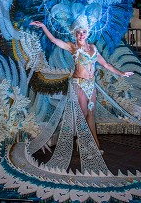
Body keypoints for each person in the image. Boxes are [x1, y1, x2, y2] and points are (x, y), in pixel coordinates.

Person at [30, 19, 134, 150]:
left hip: (91, 84)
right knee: (83, 114)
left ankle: (95, 145)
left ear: (87, 33)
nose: (81, 35)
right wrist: (44, 27)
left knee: (91, 114)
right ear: (75, 34)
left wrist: (122, 73)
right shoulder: (72, 47)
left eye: (84, 32)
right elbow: (55, 41)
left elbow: (106, 64)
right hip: (79, 84)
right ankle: (84, 142)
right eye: (79, 33)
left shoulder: (93, 48)